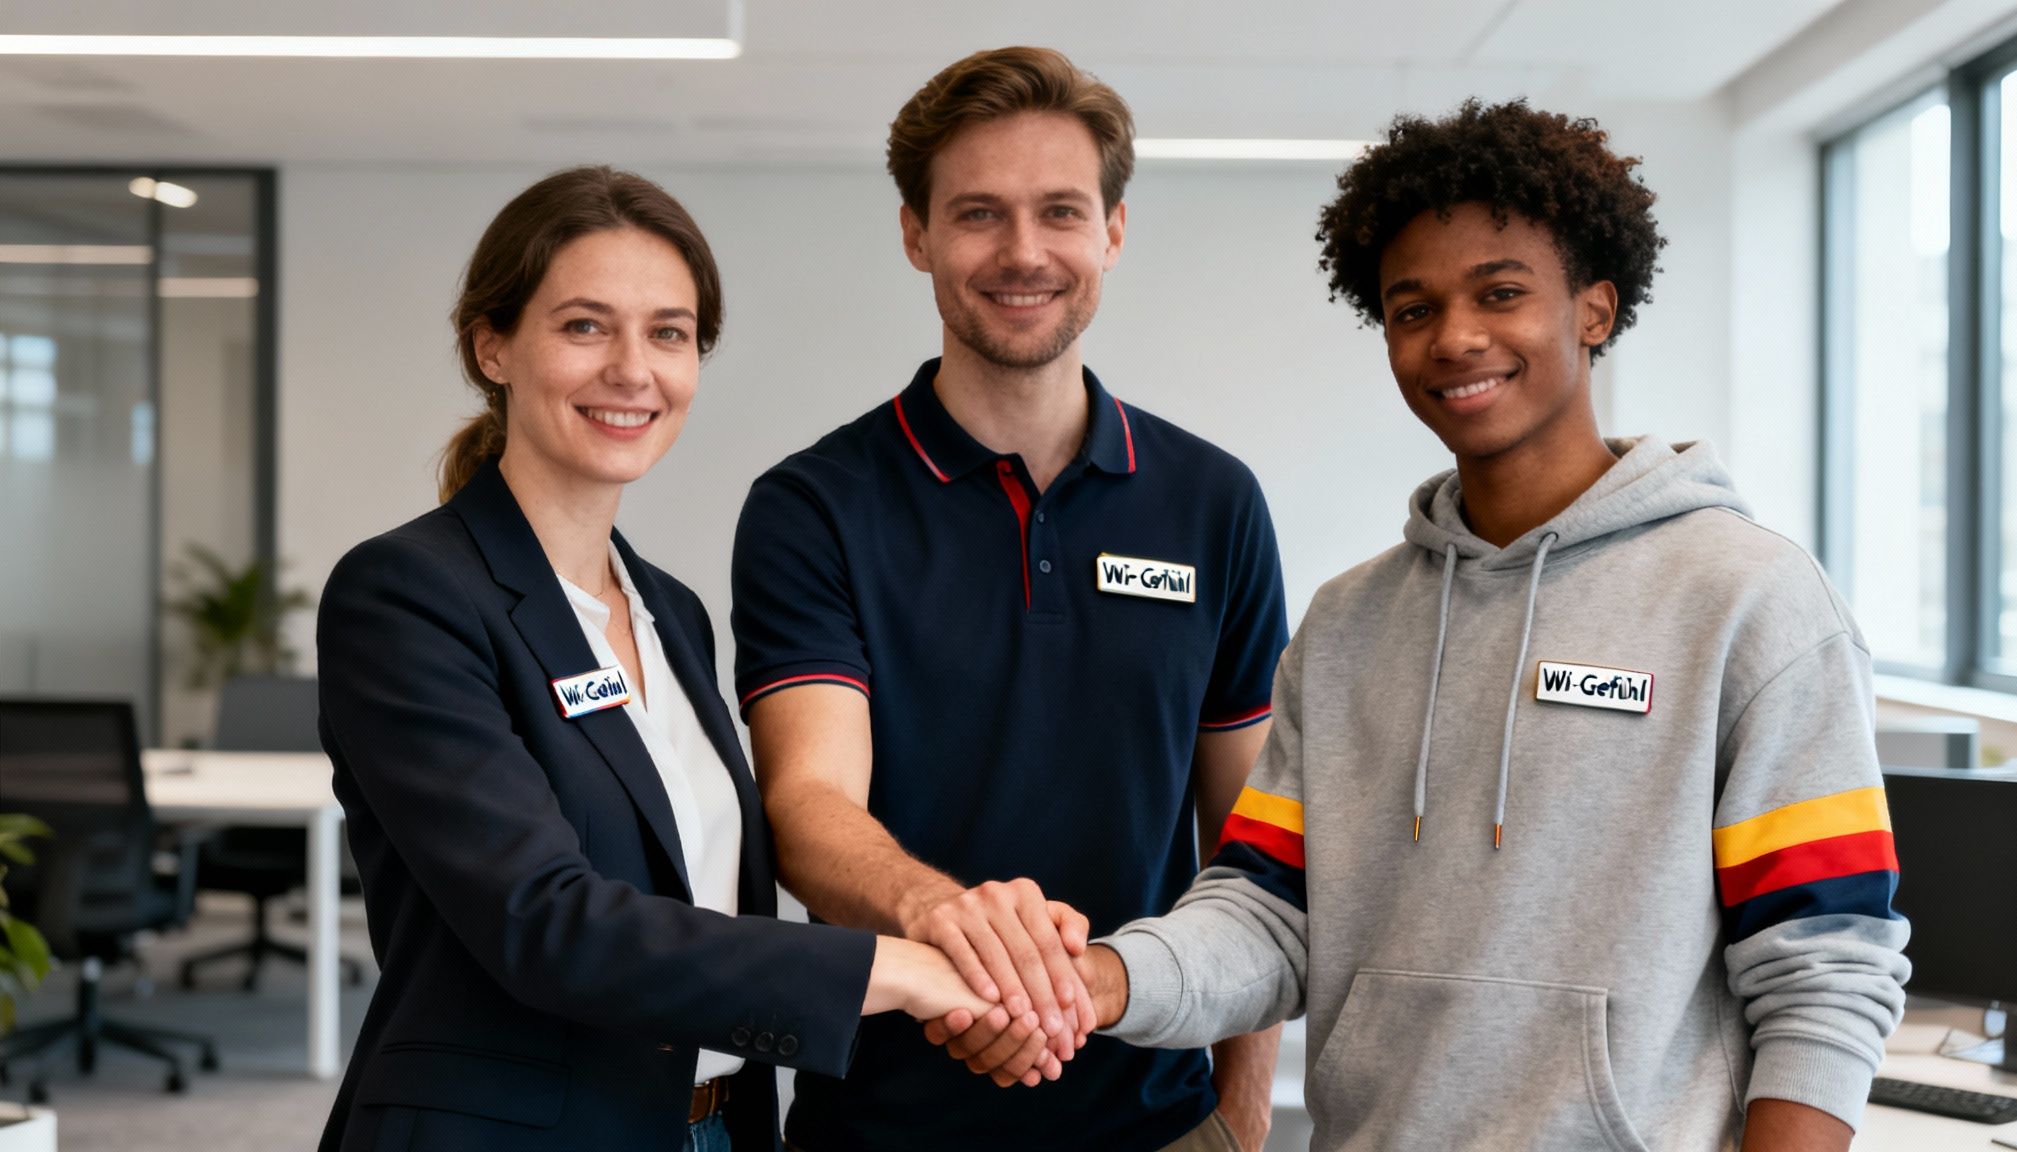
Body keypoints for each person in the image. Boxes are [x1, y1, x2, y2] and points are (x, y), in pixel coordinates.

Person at [937, 99, 1913, 1150]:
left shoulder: (1747, 601)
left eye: (1500, 294)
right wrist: (1100, 980)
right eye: (1411, 309)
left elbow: (1824, 966)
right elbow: (1268, 916)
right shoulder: (1352, 622)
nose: (1454, 338)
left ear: (1592, 308)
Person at [314, 166, 995, 1152]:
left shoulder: (670, 611)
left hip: (710, 1129)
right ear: (492, 345)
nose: (633, 369)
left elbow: (697, 887)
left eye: (668, 333)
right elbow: (543, 921)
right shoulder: (408, 595)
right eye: (585, 326)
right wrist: (890, 969)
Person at [729, 47, 1289, 1152]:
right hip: (881, 1125)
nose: (1022, 253)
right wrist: (958, 927)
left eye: (1060, 212)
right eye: (978, 213)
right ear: (915, 234)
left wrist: (1242, 1120)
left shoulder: (1212, 503)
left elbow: (1247, 843)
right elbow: (808, 809)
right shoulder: (814, 507)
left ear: (1112, 233)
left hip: (1157, 1123)